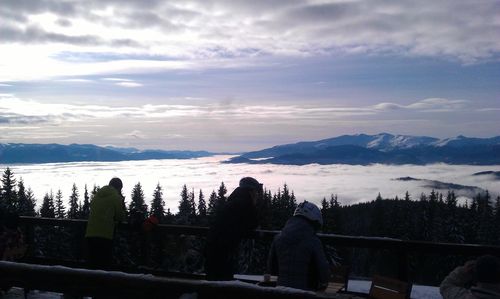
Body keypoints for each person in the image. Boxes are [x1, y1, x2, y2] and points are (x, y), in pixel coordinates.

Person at [204, 177, 263, 280]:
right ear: (251, 191)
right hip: (224, 252)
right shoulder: (246, 204)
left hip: (214, 248)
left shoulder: (232, 201)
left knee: (214, 280)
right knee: (223, 283)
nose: (257, 196)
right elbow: (252, 224)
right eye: (256, 192)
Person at [267, 201, 330, 291]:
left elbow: (271, 269)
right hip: (306, 293)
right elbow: (324, 275)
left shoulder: (278, 238)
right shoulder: (314, 241)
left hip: (280, 291)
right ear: (313, 222)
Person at [85, 177, 126, 270]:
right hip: (105, 236)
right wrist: (122, 205)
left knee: (91, 266)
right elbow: (120, 217)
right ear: (119, 188)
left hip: (90, 234)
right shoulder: (116, 198)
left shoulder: (97, 195)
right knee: (103, 267)